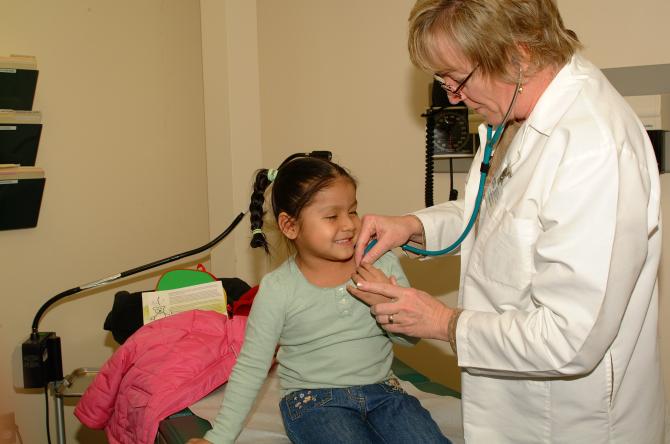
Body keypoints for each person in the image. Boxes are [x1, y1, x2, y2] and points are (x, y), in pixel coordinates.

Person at [349, 1, 665, 443]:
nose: (453, 97)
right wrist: (412, 226)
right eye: (442, 82)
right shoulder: (514, 116)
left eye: (456, 80)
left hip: (571, 423)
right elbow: (494, 215)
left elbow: (570, 338)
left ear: (518, 54)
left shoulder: (592, 148)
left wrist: (443, 322)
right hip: (514, 406)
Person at [187, 155, 450, 443]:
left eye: (352, 211)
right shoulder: (278, 288)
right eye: (332, 216)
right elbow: (251, 367)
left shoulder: (381, 264)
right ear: (290, 226)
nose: (349, 225)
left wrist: (384, 306)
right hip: (313, 401)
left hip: (385, 393)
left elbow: (409, 340)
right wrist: (218, 437)